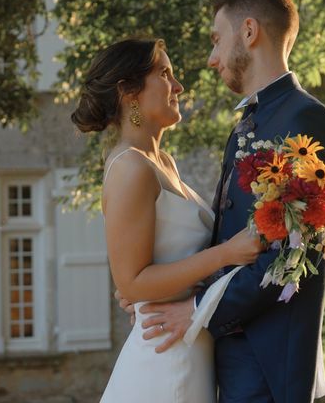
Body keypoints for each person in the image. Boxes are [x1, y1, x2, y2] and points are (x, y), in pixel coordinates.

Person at [124, 0, 325, 402]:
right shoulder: (247, 124)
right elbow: (229, 240)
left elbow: (296, 257)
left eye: (216, 40)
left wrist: (195, 310)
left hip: (269, 360)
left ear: (249, 32)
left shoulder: (306, 119)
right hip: (231, 355)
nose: (211, 58)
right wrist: (150, 285)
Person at [70, 38, 264, 403]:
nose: (178, 86)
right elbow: (131, 283)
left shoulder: (164, 163)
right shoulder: (131, 167)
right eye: (164, 73)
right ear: (129, 93)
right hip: (164, 361)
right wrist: (225, 254)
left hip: (191, 348)